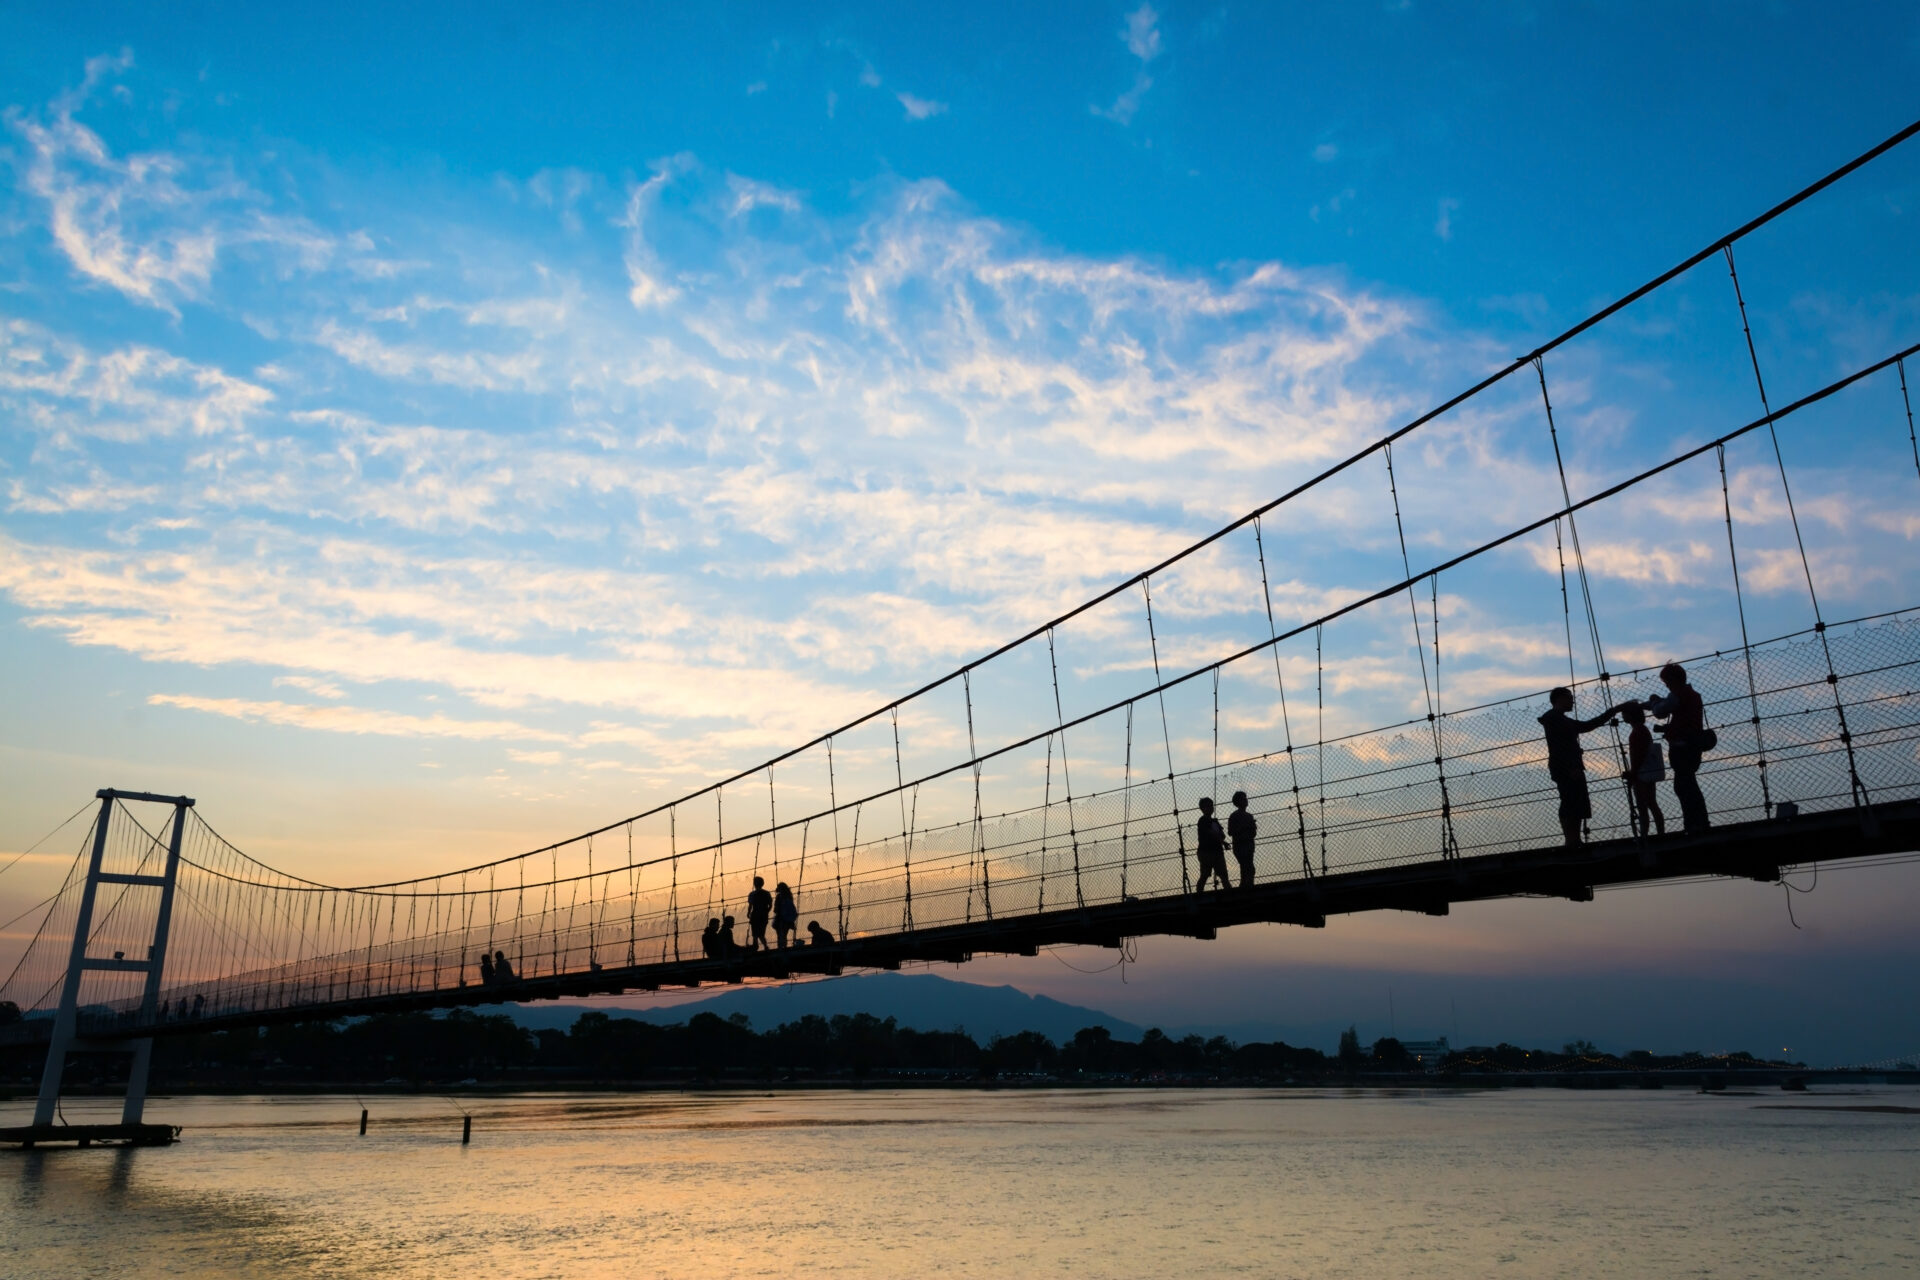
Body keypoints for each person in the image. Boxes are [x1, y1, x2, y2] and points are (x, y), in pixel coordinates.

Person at [1538, 687, 1621, 847]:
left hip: (1568, 766)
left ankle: (1573, 839)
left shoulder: (1559, 719)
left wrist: (1612, 711)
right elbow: (1561, 746)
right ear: (1559, 699)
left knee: (1574, 801)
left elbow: (1587, 726)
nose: (1573, 701)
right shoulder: (1554, 718)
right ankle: (1571, 839)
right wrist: (1571, 766)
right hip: (1567, 767)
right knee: (1570, 800)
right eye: (1569, 697)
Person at [1646, 662, 1710, 833]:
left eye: (1667, 682)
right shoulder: (1691, 695)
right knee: (1687, 784)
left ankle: (1695, 824)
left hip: (1682, 748)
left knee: (1684, 787)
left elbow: (1661, 711)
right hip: (1692, 746)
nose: (1666, 685)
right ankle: (1698, 823)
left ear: (1673, 680)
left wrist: (1653, 701)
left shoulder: (1679, 694)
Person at [1621, 701, 1666, 839]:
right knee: (1651, 802)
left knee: (1642, 806)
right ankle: (1660, 833)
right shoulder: (1643, 730)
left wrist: (1632, 773)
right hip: (1647, 771)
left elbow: (1637, 755)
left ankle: (1645, 835)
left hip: (1640, 774)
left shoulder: (1636, 733)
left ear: (1630, 715)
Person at [1194, 797, 1231, 890]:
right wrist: (1222, 840)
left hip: (1216, 851)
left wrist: (1221, 839)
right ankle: (1199, 893)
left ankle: (1230, 892)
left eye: (1211, 805)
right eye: (1208, 806)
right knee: (1205, 874)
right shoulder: (1202, 821)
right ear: (1202, 809)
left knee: (1223, 875)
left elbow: (1222, 835)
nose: (1210, 808)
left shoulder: (1214, 821)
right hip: (1206, 852)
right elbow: (1211, 834)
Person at [1227, 791, 1258, 889]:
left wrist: (1251, 827)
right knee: (1248, 868)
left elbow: (1253, 833)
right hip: (1240, 846)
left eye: (1245, 798)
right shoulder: (1234, 816)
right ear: (1238, 802)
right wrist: (1245, 827)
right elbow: (1230, 832)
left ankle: (1245, 887)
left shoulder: (1249, 816)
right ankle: (1247, 888)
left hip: (1248, 845)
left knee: (1246, 869)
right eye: (1243, 798)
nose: (1245, 800)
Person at [746, 876, 773, 951]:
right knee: (761, 933)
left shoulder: (752, 894)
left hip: (755, 915)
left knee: (755, 933)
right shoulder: (767, 893)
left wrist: (748, 913)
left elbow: (750, 905)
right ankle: (765, 946)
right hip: (763, 915)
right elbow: (770, 905)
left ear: (754, 884)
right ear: (762, 884)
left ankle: (755, 947)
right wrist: (766, 912)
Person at [772, 882, 799, 950]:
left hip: (780, 918)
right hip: (788, 919)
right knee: (784, 934)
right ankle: (784, 947)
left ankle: (780, 947)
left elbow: (776, 909)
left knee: (779, 935)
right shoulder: (789, 896)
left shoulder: (779, 897)